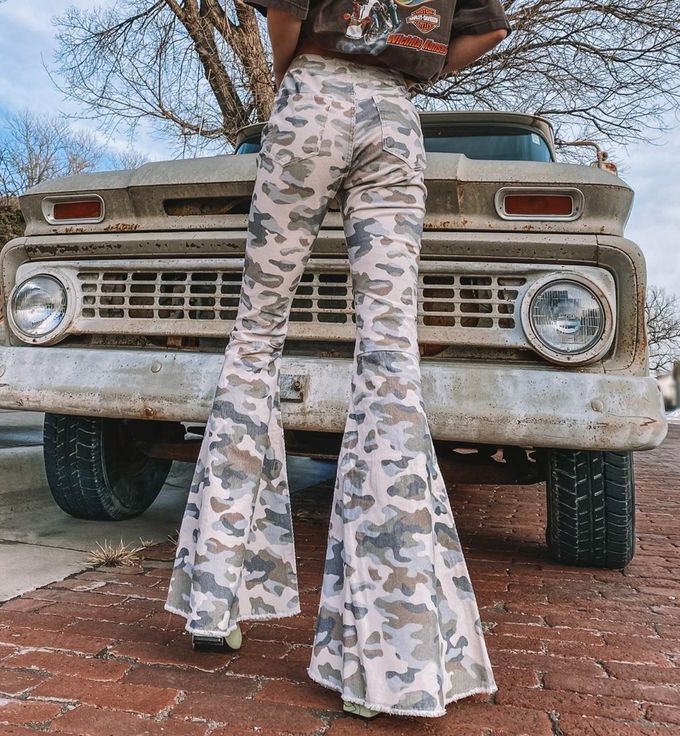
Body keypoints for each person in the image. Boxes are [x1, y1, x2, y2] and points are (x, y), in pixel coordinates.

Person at [165, 0, 511, 720]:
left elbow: (286, 12)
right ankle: (390, 662)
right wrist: (414, 62)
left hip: (312, 97)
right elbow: (488, 29)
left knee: (258, 334)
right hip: (395, 115)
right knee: (390, 359)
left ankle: (214, 604)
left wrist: (295, 74)